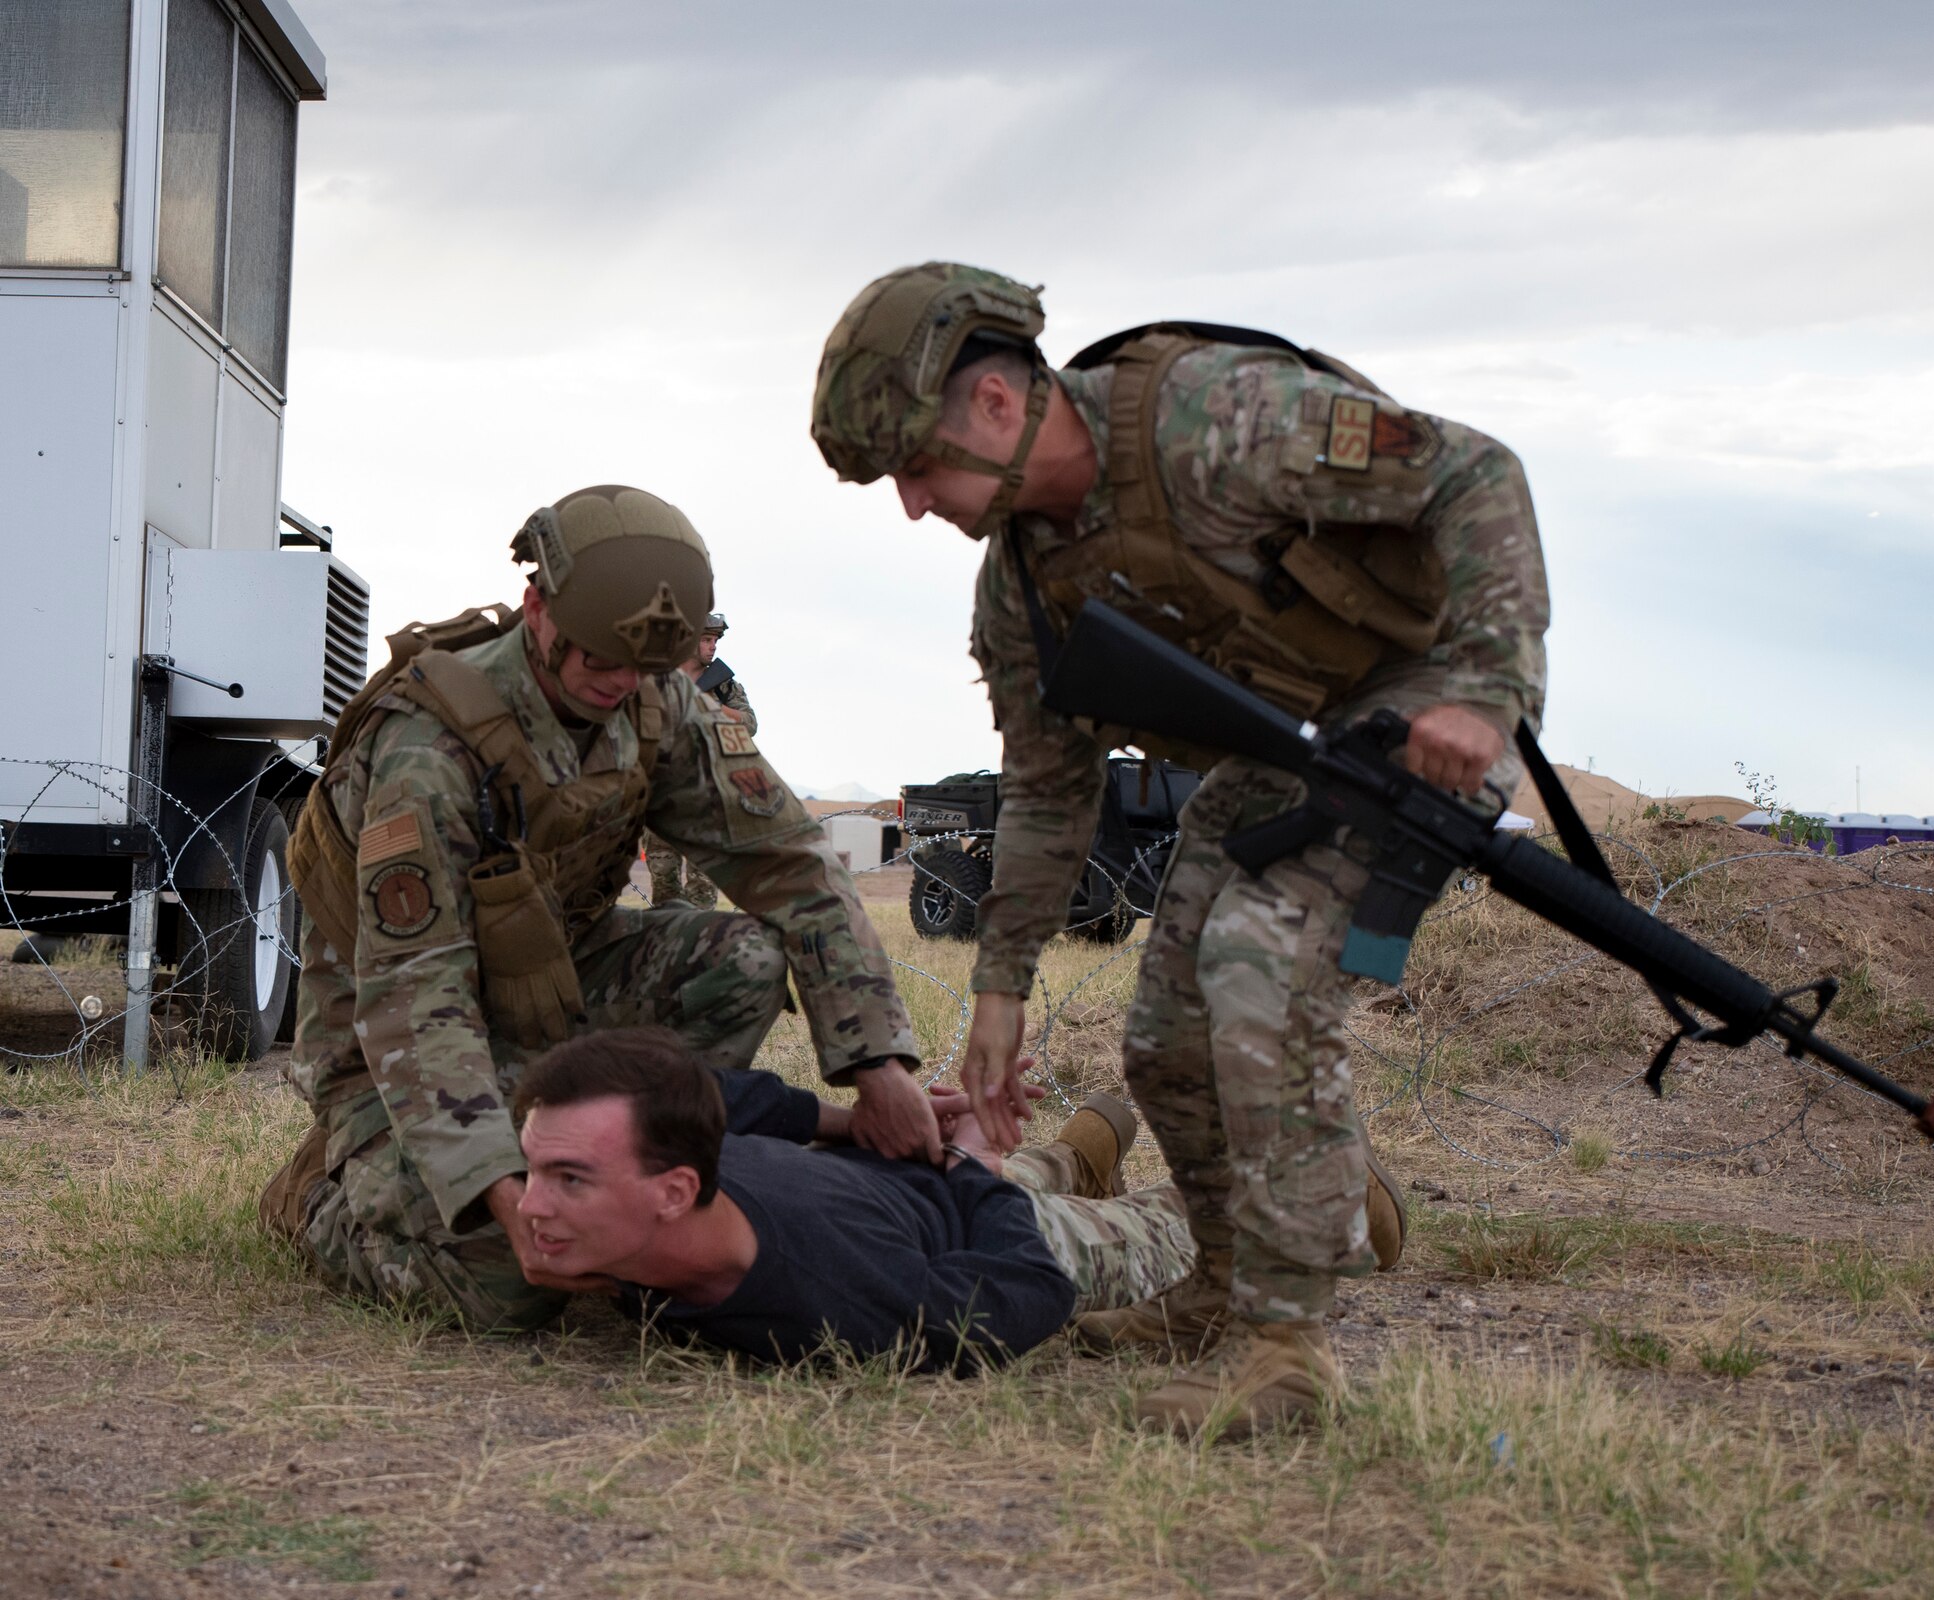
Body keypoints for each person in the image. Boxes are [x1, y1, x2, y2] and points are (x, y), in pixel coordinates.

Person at [811, 264, 1547, 1433]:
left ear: (999, 407)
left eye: (917, 464)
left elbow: (1474, 475)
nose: (911, 503)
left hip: (1416, 717)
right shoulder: (1021, 587)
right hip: (1281, 752)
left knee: (1254, 968)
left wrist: (1485, 690)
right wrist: (998, 987)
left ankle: (1286, 1344)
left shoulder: (1211, 419)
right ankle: (1216, 1287)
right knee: (1160, 1041)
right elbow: (1047, 790)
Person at [262, 485, 937, 1333]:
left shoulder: (659, 702)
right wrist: (501, 1196)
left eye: (647, 669)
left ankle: (623, 1160)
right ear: (537, 608)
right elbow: (413, 995)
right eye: (600, 663)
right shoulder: (429, 749)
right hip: (391, 1037)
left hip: (556, 983)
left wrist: (878, 1065)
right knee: (515, 1283)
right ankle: (322, 1195)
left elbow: (792, 864)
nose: (622, 686)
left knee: (744, 964)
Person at [512, 1026, 1203, 1377]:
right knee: (985, 1173)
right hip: (891, 1179)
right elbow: (724, 1093)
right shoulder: (656, 1147)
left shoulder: (834, 1294)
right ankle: (1071, 1158)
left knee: (1221, 1220)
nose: (528, 1206)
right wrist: (869, 1125)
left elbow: (1024, 1296)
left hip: (998, 1229)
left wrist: (972, 1165)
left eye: (569, 1180)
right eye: (533, 1168)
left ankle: (1050, 1173)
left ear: (676, 1192)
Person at [642, 614, 754, 912]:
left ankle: (698, 950)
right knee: (664, 883)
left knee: (702, 886)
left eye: (715, 641)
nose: (712, 647)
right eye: (706, 640)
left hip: (706, 792)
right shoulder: (658, 681)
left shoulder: (723, 686)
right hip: (662, 793)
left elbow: (749, 724)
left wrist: (712, 707)